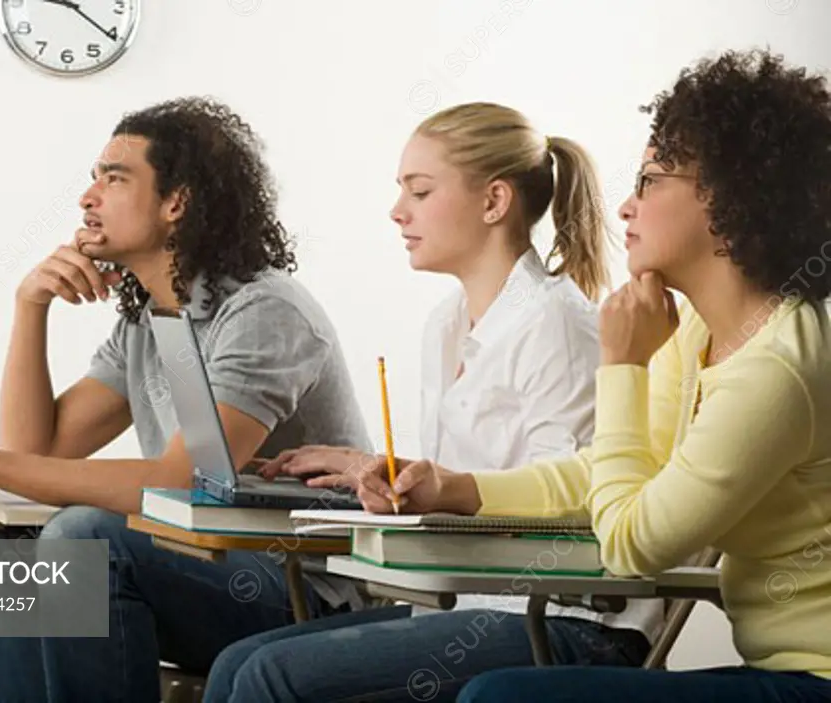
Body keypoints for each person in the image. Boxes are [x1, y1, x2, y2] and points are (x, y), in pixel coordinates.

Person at [355, 50, 831, 703]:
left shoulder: (776, 369)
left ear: (727, 196)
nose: (627, 207)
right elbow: (601, 472)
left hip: (812, 679)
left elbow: (635, 541)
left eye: (651, 180)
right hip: (778, 670)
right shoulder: (694, 331)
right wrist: (456, 487)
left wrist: (623, 363)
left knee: (500, 698)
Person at [0, 97, 373, 702]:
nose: (88, 198)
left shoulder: (263, 311)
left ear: (176, 202)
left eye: (114, 179)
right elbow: (38, 450)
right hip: (197, 568)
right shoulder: (149, 322)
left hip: (302, 590)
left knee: (86, 538)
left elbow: (182, 479)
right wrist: (29, 306)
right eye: (93, 178)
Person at [205, 102, 665, 702]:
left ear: (494, 202)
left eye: (419, 192)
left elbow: (579, 507)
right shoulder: (446, 324)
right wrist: (367, 470)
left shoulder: (557, 326)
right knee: (239, 663)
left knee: (269, 676)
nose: (397, 212)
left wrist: (433, 489)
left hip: (564, 621)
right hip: (465, 605)